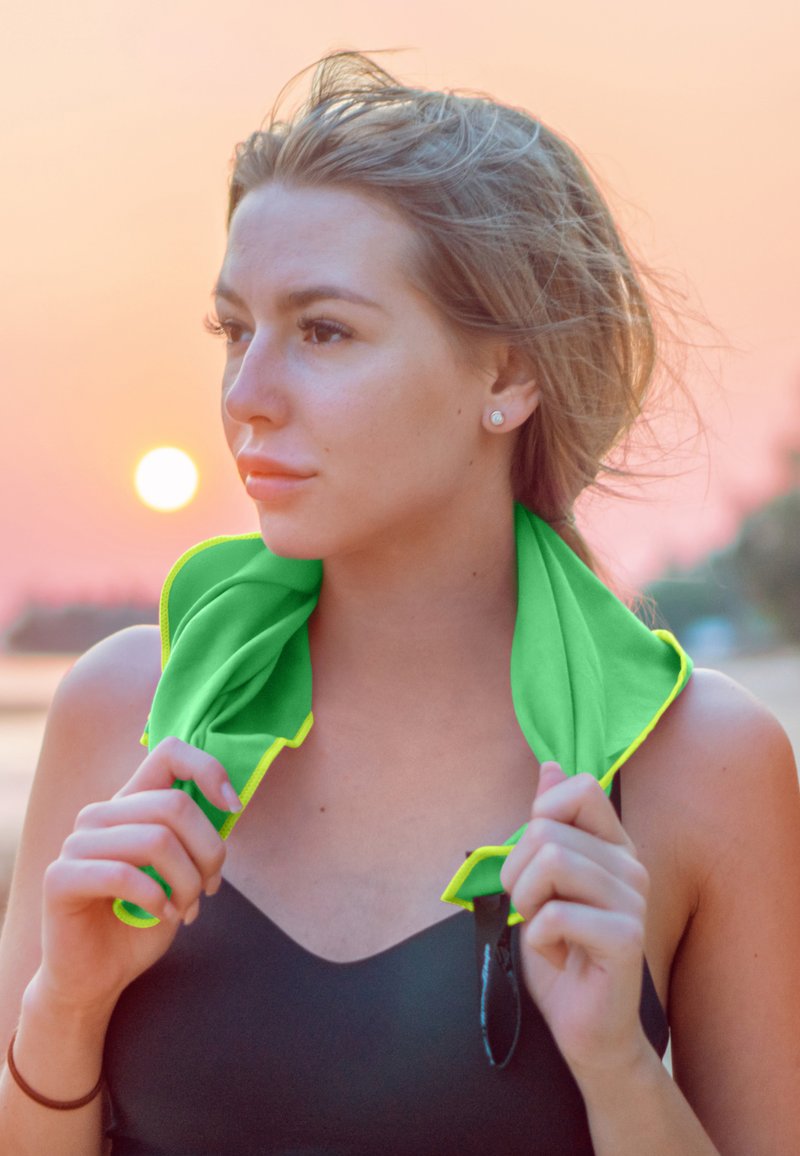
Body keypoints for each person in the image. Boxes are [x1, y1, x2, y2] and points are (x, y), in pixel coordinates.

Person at [1, 50, 798, 1156]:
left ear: (507, 377)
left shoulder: (702, 767)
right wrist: (65, 1007)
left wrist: (617, 1069)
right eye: (234, 331)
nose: (245, 397)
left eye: (322, 330)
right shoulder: (122, 713)